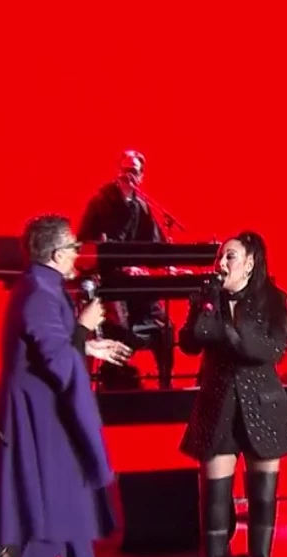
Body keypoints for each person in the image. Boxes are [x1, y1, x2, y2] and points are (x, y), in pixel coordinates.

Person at [0, 215, 137, 557]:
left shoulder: (42, 287)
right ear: (56, 253)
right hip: (42, 422)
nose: (78, 254)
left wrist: (86, 345)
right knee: (50, 517)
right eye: (73, 247)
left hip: (50, 418)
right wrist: (85, 328)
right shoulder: (39, 292)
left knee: (70, 508)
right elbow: (55, 357)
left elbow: (50, 349)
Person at [179, 231, 287, 557]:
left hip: (263, 407)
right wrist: (207, 304)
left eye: (230, 256)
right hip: (218, 406)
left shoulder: (273, 299)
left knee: (262, 499)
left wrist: (229, 332)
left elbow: (270, 350)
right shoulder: (209, 298)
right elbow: (190, 342)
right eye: (220, 256)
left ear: (250, 264)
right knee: (214, 501)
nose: (222, 263)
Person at [77, 150, 174, 389]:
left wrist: (169, 266)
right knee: (119, 326)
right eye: (124, 170)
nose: (128, 176)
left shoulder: (142, 207)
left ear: (141, 176)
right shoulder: (101, 203)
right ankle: (114, 381)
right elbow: (84, 245)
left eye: (133, 171)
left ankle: (165, 386)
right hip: (109, 283)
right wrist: (122, 266)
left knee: (165, 326)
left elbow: (154, 246)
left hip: (135, 284)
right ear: (117, 172)